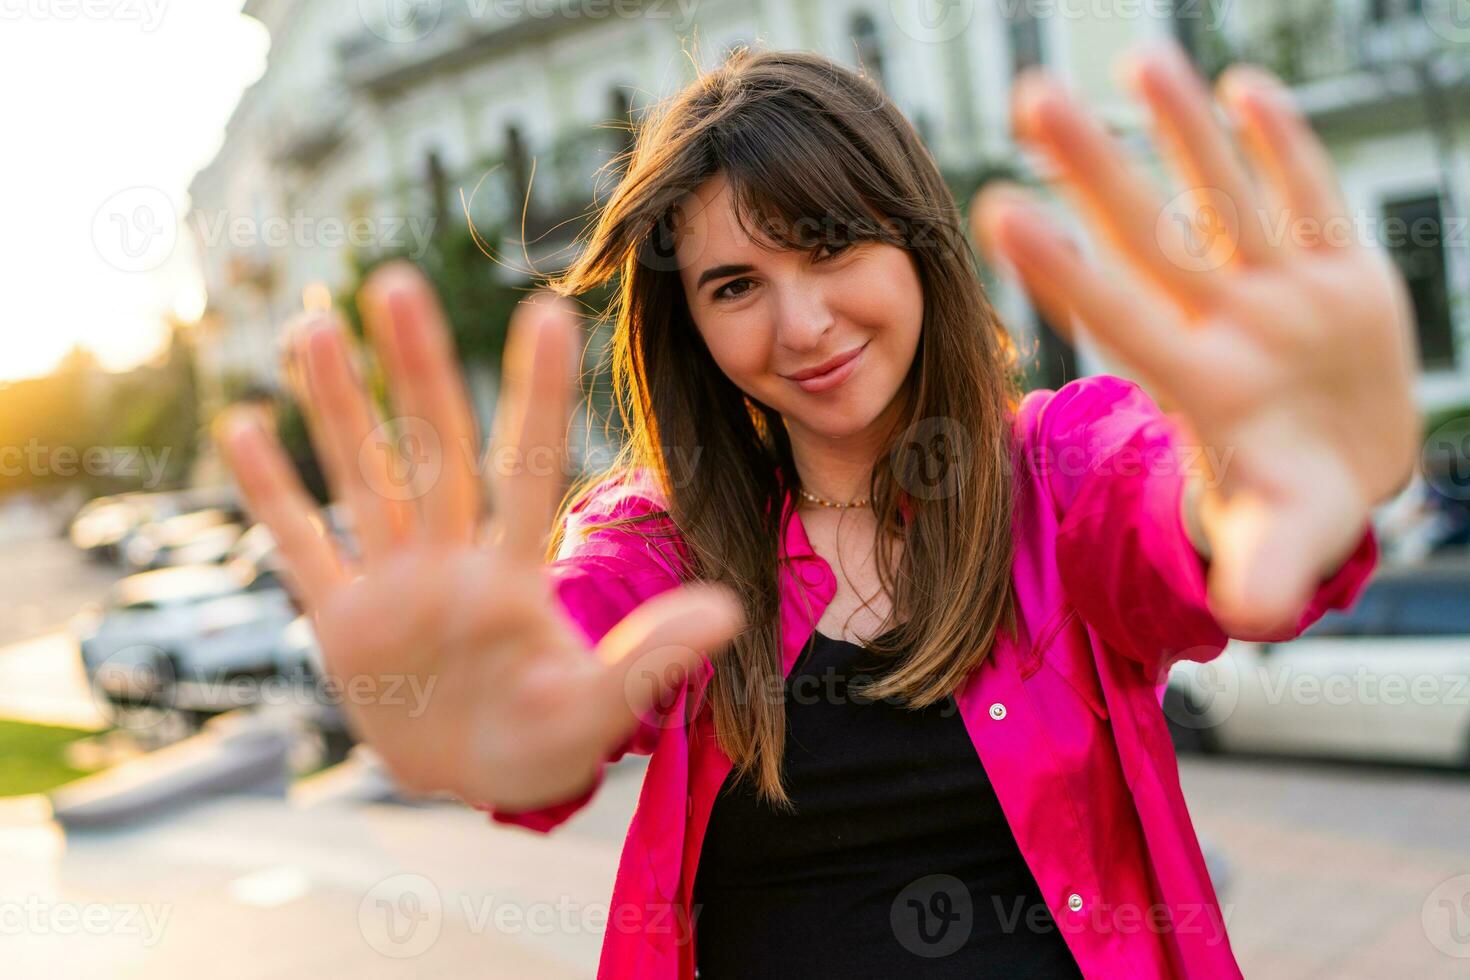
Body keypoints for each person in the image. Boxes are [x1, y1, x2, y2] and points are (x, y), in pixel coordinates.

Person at [214, 42, 1418, 979]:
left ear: (915, 245)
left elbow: (1159, 508)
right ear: (691, 326)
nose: (802, 325)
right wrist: (488, 715)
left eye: (831, 244)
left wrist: (1246, 497)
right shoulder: (659, 546)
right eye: (738, 285)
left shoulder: (1051, 473)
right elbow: (568, 644)